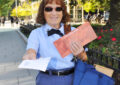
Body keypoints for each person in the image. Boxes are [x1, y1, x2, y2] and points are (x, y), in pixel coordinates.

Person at [22, 0, 88, 85]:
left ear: (63, 12)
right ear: (43, 12)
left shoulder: (72, 31)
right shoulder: (36, 33)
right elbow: (31, 50)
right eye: (49, 9)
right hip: (46, 80)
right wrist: (30, 54)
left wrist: (81, 54)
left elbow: (85, 58)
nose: (54, 13)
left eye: (58, 9)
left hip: (72, 79)